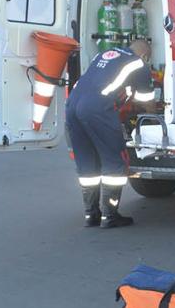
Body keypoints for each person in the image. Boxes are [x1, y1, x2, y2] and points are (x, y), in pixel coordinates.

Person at [65, 46, 152, 228]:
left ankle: (91, 214)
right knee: (114, 161)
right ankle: (110, 215)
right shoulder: (138, 62)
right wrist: (155, 116)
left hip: (72, 104)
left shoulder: (102, 54)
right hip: (97, 108)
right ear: (145, 54)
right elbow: (146, 101)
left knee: (87, 162)